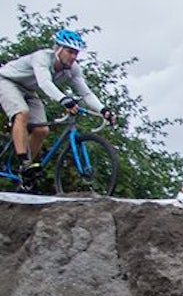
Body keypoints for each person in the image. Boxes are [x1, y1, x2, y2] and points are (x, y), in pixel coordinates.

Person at [0, 28, 115, 186]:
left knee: (42, 130)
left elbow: (86, 94)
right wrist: (64, 100)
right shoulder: (42, 58)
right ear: (58, 49)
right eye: (70, 51)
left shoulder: (73, 68)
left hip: (29, 90)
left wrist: (103, 110)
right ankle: (24, 161)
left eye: (76, 53)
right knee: (22, 112)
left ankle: (24, 170)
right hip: (6, 81)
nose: (73, 57)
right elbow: (44, 83)